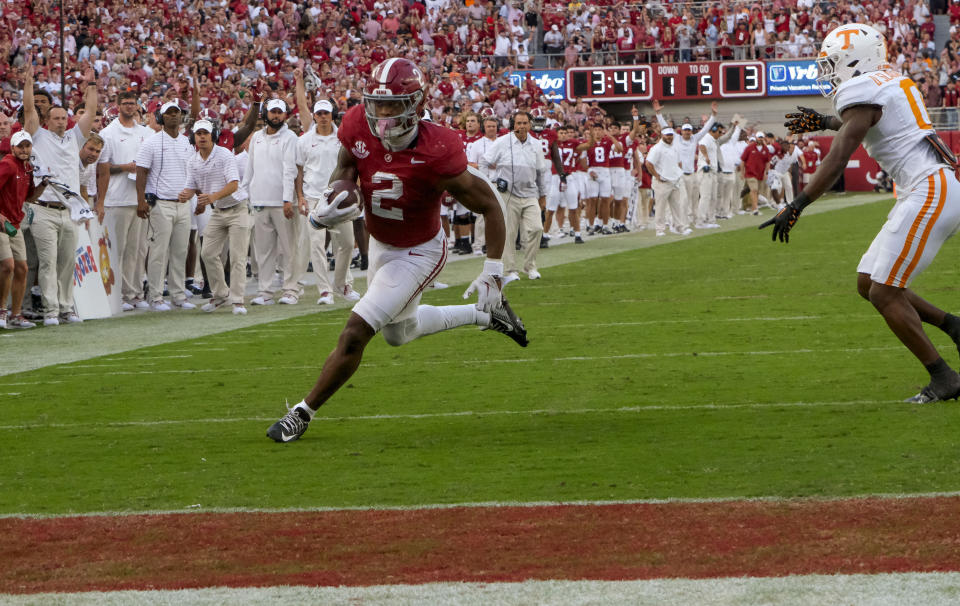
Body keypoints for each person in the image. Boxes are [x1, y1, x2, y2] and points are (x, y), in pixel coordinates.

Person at [266, 58, 527, 443]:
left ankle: (302, 412)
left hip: (421, 250)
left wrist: (493, 269)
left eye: (392, 106)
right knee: (399, 334)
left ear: (417, 105)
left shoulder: (438, 148)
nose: (382, 114)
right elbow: (347, 166)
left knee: (357, 331)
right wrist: (337, 196)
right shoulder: (357, 123)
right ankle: (487, 317)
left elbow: (490, 204)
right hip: (381, 242)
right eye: (377, 103)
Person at [765, 24, 960, 404]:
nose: (828, 71)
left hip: (929, 189)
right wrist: (823, 122)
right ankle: (953, 325)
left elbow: (841, 153)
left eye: (833, 63)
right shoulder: (886, 82)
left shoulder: (865, 89)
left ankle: (944, 378)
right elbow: (865, 122)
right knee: (867, 281)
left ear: (856, 60)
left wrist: (797, 204)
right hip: (929, 187)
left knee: (885, 293)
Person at [23, 63, 97, 326]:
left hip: (70, 210)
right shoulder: (38, 135)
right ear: (47, 121)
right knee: (47, 262)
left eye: (64, 118)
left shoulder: (74, 137)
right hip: (44, 208)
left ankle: (66, 308)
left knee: (67, 263)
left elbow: (90, 111)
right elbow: (29, 109)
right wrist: (29, 82)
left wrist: (91, 83)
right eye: (56, 118)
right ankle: (51, 310)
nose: (61, 121)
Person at [294, 70, 360, 305]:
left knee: (346, 245)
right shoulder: (304, 140)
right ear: (314, 116)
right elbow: (299, 172)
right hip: (313, 199)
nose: (322, 117)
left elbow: (353, 166)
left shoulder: (343, 138)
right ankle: (324, 291)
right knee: (317, 247)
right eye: (319, 113)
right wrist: (300, 197)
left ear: (333, 116)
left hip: (340, 198)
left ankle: (342, 284)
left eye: (326, 113)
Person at [96, 91, 156, 311]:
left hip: (140, 199)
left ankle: (134, 293)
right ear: (118, 105)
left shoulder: (147, 133)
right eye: (126, 103)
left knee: (138, 250)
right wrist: (125, 167)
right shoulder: (108, 133)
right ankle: (116, 294)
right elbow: (102, 169)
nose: (130, 107)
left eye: (133, 103)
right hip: (117, 198)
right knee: (117, 250)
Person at [135, 99, 197, 311]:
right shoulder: (151, 142)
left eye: (176, 113)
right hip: (160, 203)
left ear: (181, 117)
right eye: (168, 113)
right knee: (158, 252)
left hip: (182, 203)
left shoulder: (187, 142)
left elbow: (192, 171)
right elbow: (141, 172)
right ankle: (155, 296)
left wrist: (193, 192)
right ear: (161, 117)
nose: (173, 116)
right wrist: (141, 200)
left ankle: (178, 295)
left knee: (180, 251)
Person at [181, 119, 246, 314]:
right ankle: (221, 295)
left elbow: (234, 184)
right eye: (198, 133)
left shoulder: (225, 154)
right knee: (207, 253)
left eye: (205, 133)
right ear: (194, 137)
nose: (201, 137)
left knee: (237, 256)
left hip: (237, 208)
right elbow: (191, 186)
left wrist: (211, 198)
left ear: (213, 135)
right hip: (218, 211)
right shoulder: (192, 161)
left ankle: (238, 300)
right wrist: (186, 194)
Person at [242, 98, 300, 306]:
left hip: (281, 202)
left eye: (279, 112)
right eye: (273, 112)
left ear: (285, 114)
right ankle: (265, 291)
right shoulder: (257, 137)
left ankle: (291, 289)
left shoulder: (290, 137)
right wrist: (244, 192)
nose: (276, 116)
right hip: (259, 200)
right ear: (266, 113)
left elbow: (290, 170)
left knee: (288, 248)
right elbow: (250, 168)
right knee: (264, 251)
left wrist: (287, 199)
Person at [481, 110, 548, 282]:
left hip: (530, 192)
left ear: (530, 125)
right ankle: (510, 269)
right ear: (513, 124)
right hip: (508, 194)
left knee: (537, 228)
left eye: (525, 123)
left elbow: (541, 172)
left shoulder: (536, 144)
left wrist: (543, 195)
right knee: (509, 233)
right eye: (518, 123)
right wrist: (489, 183)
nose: (522, 127)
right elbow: (485, 161)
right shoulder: (503, 142)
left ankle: (530, 266)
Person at [0, 131, 43, 329]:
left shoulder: (27, 169)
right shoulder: (8, 164)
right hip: (2, 223)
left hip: (14, 224)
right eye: (21, 146)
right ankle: (2, 311)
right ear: (13, 148)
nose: (24, 150)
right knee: (7, 265)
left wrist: (44, 184)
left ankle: (15, 314)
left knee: (22, 268)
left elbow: (30, 198)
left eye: (27, 146)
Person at [645, 127, 692, 237]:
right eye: (667, 135)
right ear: (662, 135)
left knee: (677, 206)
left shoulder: (675, 147)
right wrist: (657, 176)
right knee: (661, 207)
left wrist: (678, 173)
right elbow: (648, 163)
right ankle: (660, 230)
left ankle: (679, 227)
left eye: (671, 135)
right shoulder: (657, 148)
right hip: (662, 182)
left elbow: (679, 162)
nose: (669, 137)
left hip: (674, 181)